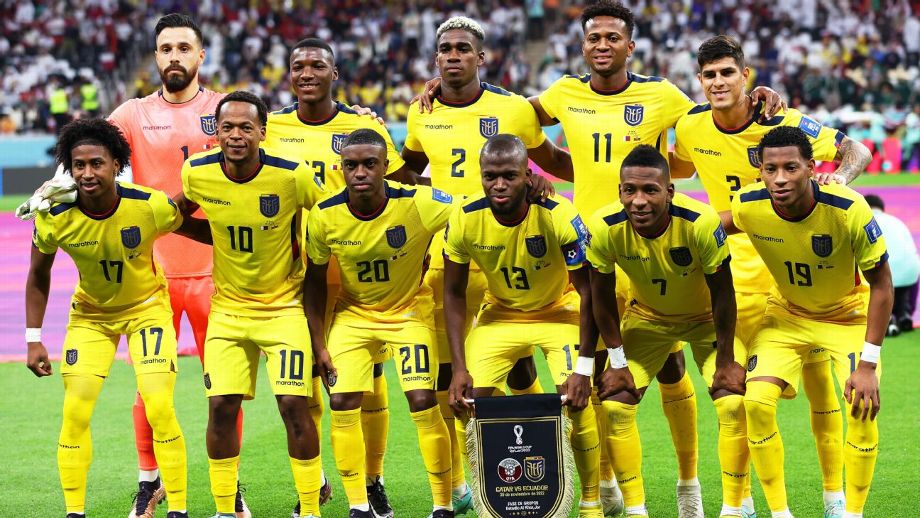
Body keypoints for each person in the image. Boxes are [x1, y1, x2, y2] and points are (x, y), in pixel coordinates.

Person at [671, 35, 873, 517]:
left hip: (794, 278)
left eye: (728, 73)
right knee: (737, 396)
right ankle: (736, 504)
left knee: (822, 386)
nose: (719, 82)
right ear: (700, 82)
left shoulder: (781, 123)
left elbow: (858, 151)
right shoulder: (690, 126)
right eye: (710, 75)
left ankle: (833, 496)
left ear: (747, 77)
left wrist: (840, 177)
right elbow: (674, 166)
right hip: (733, 278)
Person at [401, 17, 577, 513]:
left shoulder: (514, 108)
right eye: (445, 49)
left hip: (510, 253)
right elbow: (408, 169)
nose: (453, 56)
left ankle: (545, 453)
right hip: (449, 256)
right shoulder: (420, 111)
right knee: (448, 380)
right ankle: (462, 483)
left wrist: (555, 182)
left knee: (520, 364)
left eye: (463, 49)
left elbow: (555, 161)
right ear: (436, 59)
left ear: (482, 58)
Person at [265, 38, 417, 517]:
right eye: (298, 66)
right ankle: (315, 486)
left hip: (357, 275)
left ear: (335, 72)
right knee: (305, 381)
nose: (306, 72)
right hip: (295, 272)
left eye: (317, 64)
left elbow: (400, 185)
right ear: (289, 76)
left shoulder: (363, 125)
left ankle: (373, 481)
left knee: (367, 381)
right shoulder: (271, 127)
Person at [25, 118, 188, 518]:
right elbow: (38, 274)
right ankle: (74, 512)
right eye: (78, 165)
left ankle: (179, 510)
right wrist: (33, 338)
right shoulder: (55, 215)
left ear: (117, 164)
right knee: (75, 410)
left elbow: (192, 219)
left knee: (159, 405)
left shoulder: (149, 205)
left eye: (96, 163)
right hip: (91, 318)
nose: (86, 173)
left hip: (147, 310)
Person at [173, 91, 325, 518]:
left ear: (262, 131)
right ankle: (225, 510)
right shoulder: (196, 173)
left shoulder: (291, 176)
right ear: (215, 132)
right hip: (228, 311)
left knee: (293, 405)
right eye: (227, 127)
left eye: (245, 127)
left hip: (284, 310)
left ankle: (310, 509)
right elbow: (172, 212)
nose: (236, 135)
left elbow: (330, 212)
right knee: (221, 406)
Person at [729, 126, 891, 518]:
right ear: (760, 171)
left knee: (860, 406)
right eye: (771, 169)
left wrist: (867, 364)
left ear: (811, 167)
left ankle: (851, 512)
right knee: (756, 404)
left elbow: (883, 286)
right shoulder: (749, 204)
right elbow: (707, 226)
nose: (780, 178)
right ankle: (780, 513)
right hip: (786, 317)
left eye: (790, 167)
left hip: (847, 317)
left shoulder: (848, 208)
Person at [444, 134, 602, 517]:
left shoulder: (556, 213)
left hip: (558, 311)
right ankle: (494, 495)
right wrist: (459, 368)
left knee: (576, 400)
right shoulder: (466, 217)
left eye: (509, 176)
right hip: (500, 314)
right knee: (466, 403)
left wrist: (584, 368)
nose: (499, 185)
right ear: (480, 175)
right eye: (490, 176)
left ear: (527, 175)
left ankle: (593, 499)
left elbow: (591, 293)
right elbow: (452, 293)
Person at [305, 129, 455, 518]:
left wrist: (533, 184)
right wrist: (319, 344)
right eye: (351, 165)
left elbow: (474, 209)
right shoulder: (324, 215)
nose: (360, 172)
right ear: (342, 169)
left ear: (386, 168)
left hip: (407, 313)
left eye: (370, 164)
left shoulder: (419, 203)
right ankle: (359, 505)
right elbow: (315, 282)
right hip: (354, 316)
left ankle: (443, 504)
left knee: (423, 401)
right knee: (342, 402)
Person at [586, 145, 742, 518]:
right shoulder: (603, 226)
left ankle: (722, 503)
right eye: (629, 190)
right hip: (649, 319)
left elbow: (724, 293)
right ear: (620, 190)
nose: (638, 201)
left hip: (705, 320)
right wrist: (618, 361)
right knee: (615, 404)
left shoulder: (700, 222)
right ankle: (637, 510)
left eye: (650, 190)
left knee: (734, 401)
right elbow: (601, 299)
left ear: (669, 191)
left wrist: (725, 359)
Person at [864, 194, 919, 334]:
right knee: (906, 270)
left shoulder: (864, 220)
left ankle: (886, 318)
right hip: (909, 275)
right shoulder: (897, 221)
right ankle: (904, 313)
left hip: (881, 276)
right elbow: (911, 253)